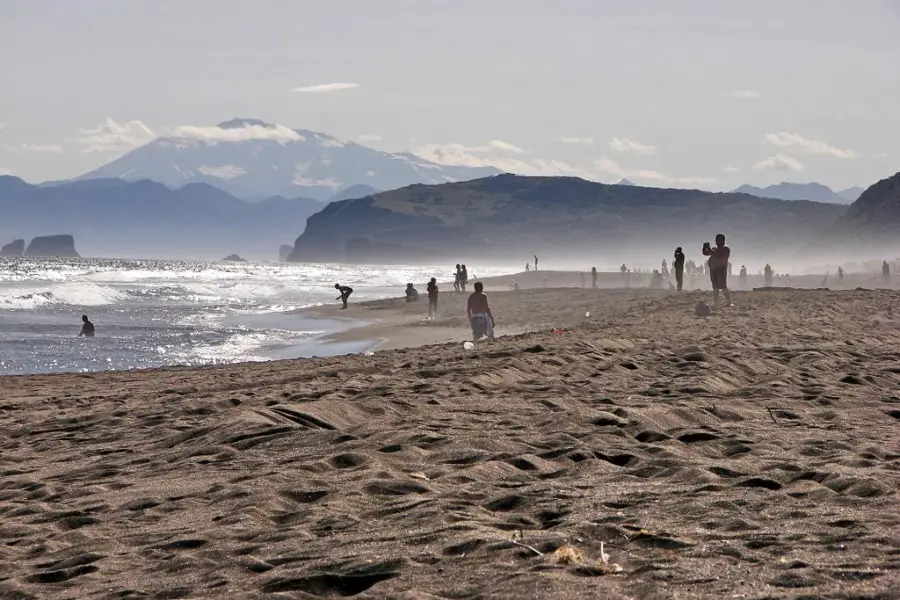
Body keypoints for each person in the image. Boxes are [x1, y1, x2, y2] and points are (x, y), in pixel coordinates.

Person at [702, 233, 733, 310]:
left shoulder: (726, 249)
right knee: (715, 287)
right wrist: (704, 248)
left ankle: (729, 302)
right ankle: (716, 304)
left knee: (723, 286)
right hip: (713, 269)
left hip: (721, 269)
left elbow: (719, 255)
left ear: (723, 241)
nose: (717, 242)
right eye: (717, 240)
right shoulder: (715, 249)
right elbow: (707, 253)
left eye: (719, 240)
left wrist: (710, 250)